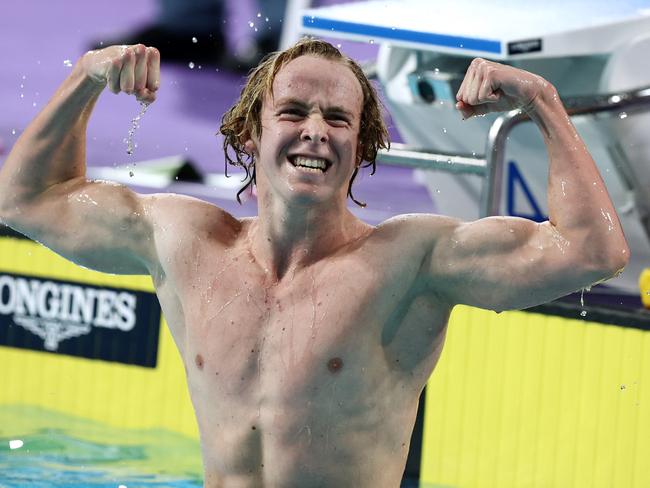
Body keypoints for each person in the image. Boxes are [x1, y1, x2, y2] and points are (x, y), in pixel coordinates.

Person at [0, 39, 629, 487]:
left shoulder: (414, 262)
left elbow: (592, 251)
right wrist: (85, 77)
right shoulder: (185, 241)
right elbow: (23, 199)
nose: (316, 131)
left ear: (362, 147)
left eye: (338, 119)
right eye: (294, 111)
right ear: (250, 130)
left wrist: (542, 102)